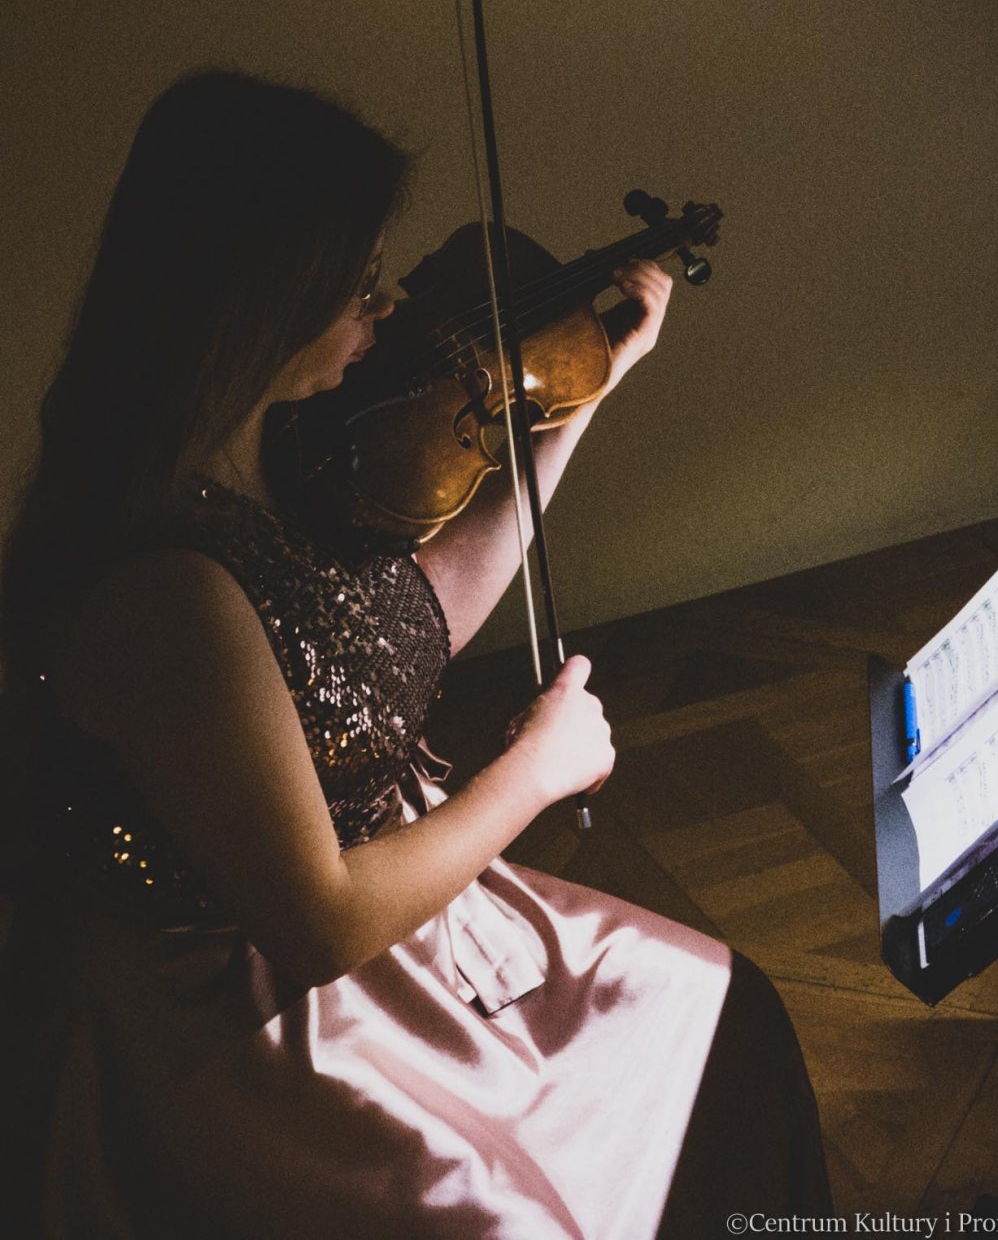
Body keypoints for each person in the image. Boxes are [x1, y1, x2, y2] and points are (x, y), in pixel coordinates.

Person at [0, 70, 832, 1237]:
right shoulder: (163, 590)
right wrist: (531, 774)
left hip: (394, 927)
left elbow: (415, 621)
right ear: (257, 297)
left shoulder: (267, 449)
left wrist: (584, 388)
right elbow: (322, 920)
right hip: (235, 1021)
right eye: (360, 283)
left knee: (721, 1009)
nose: (387, 307)